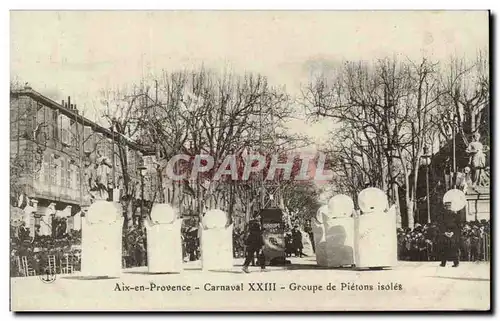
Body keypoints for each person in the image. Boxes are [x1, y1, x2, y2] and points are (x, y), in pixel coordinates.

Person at [438, 202, 461, 267]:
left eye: (448, 206)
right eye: (448, 206)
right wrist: (452, 232)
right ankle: (455, 263)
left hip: (448, 234)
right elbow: (458, 226)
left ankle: (444, 263)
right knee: (452, 249)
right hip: (452, 234)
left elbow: (440, 225)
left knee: (446, 249)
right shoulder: (455, 215)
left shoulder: (442, 215)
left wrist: (445, 232)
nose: (448, 207)